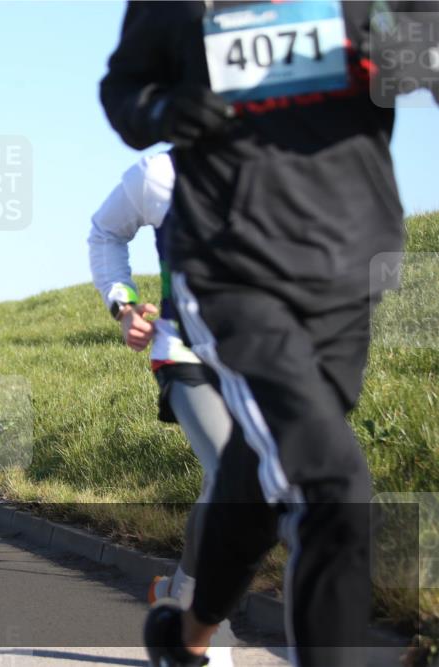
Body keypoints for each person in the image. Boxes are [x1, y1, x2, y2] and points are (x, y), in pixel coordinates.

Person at [100, 3, 438, 666]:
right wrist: (165, 112)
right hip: (232, 271)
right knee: (332, 491)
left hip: (348, 268)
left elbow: (421, 53)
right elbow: (124, 88)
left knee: (256, 476)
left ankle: (188, 633)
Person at [88, 150, 234, 666]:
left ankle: (181, 590)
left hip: (269, 355)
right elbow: (105, 232)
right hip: (184, 349)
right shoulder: (159, 173)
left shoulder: (296, 159)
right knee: (233, 470)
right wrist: (123, 304)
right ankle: (205, 623)